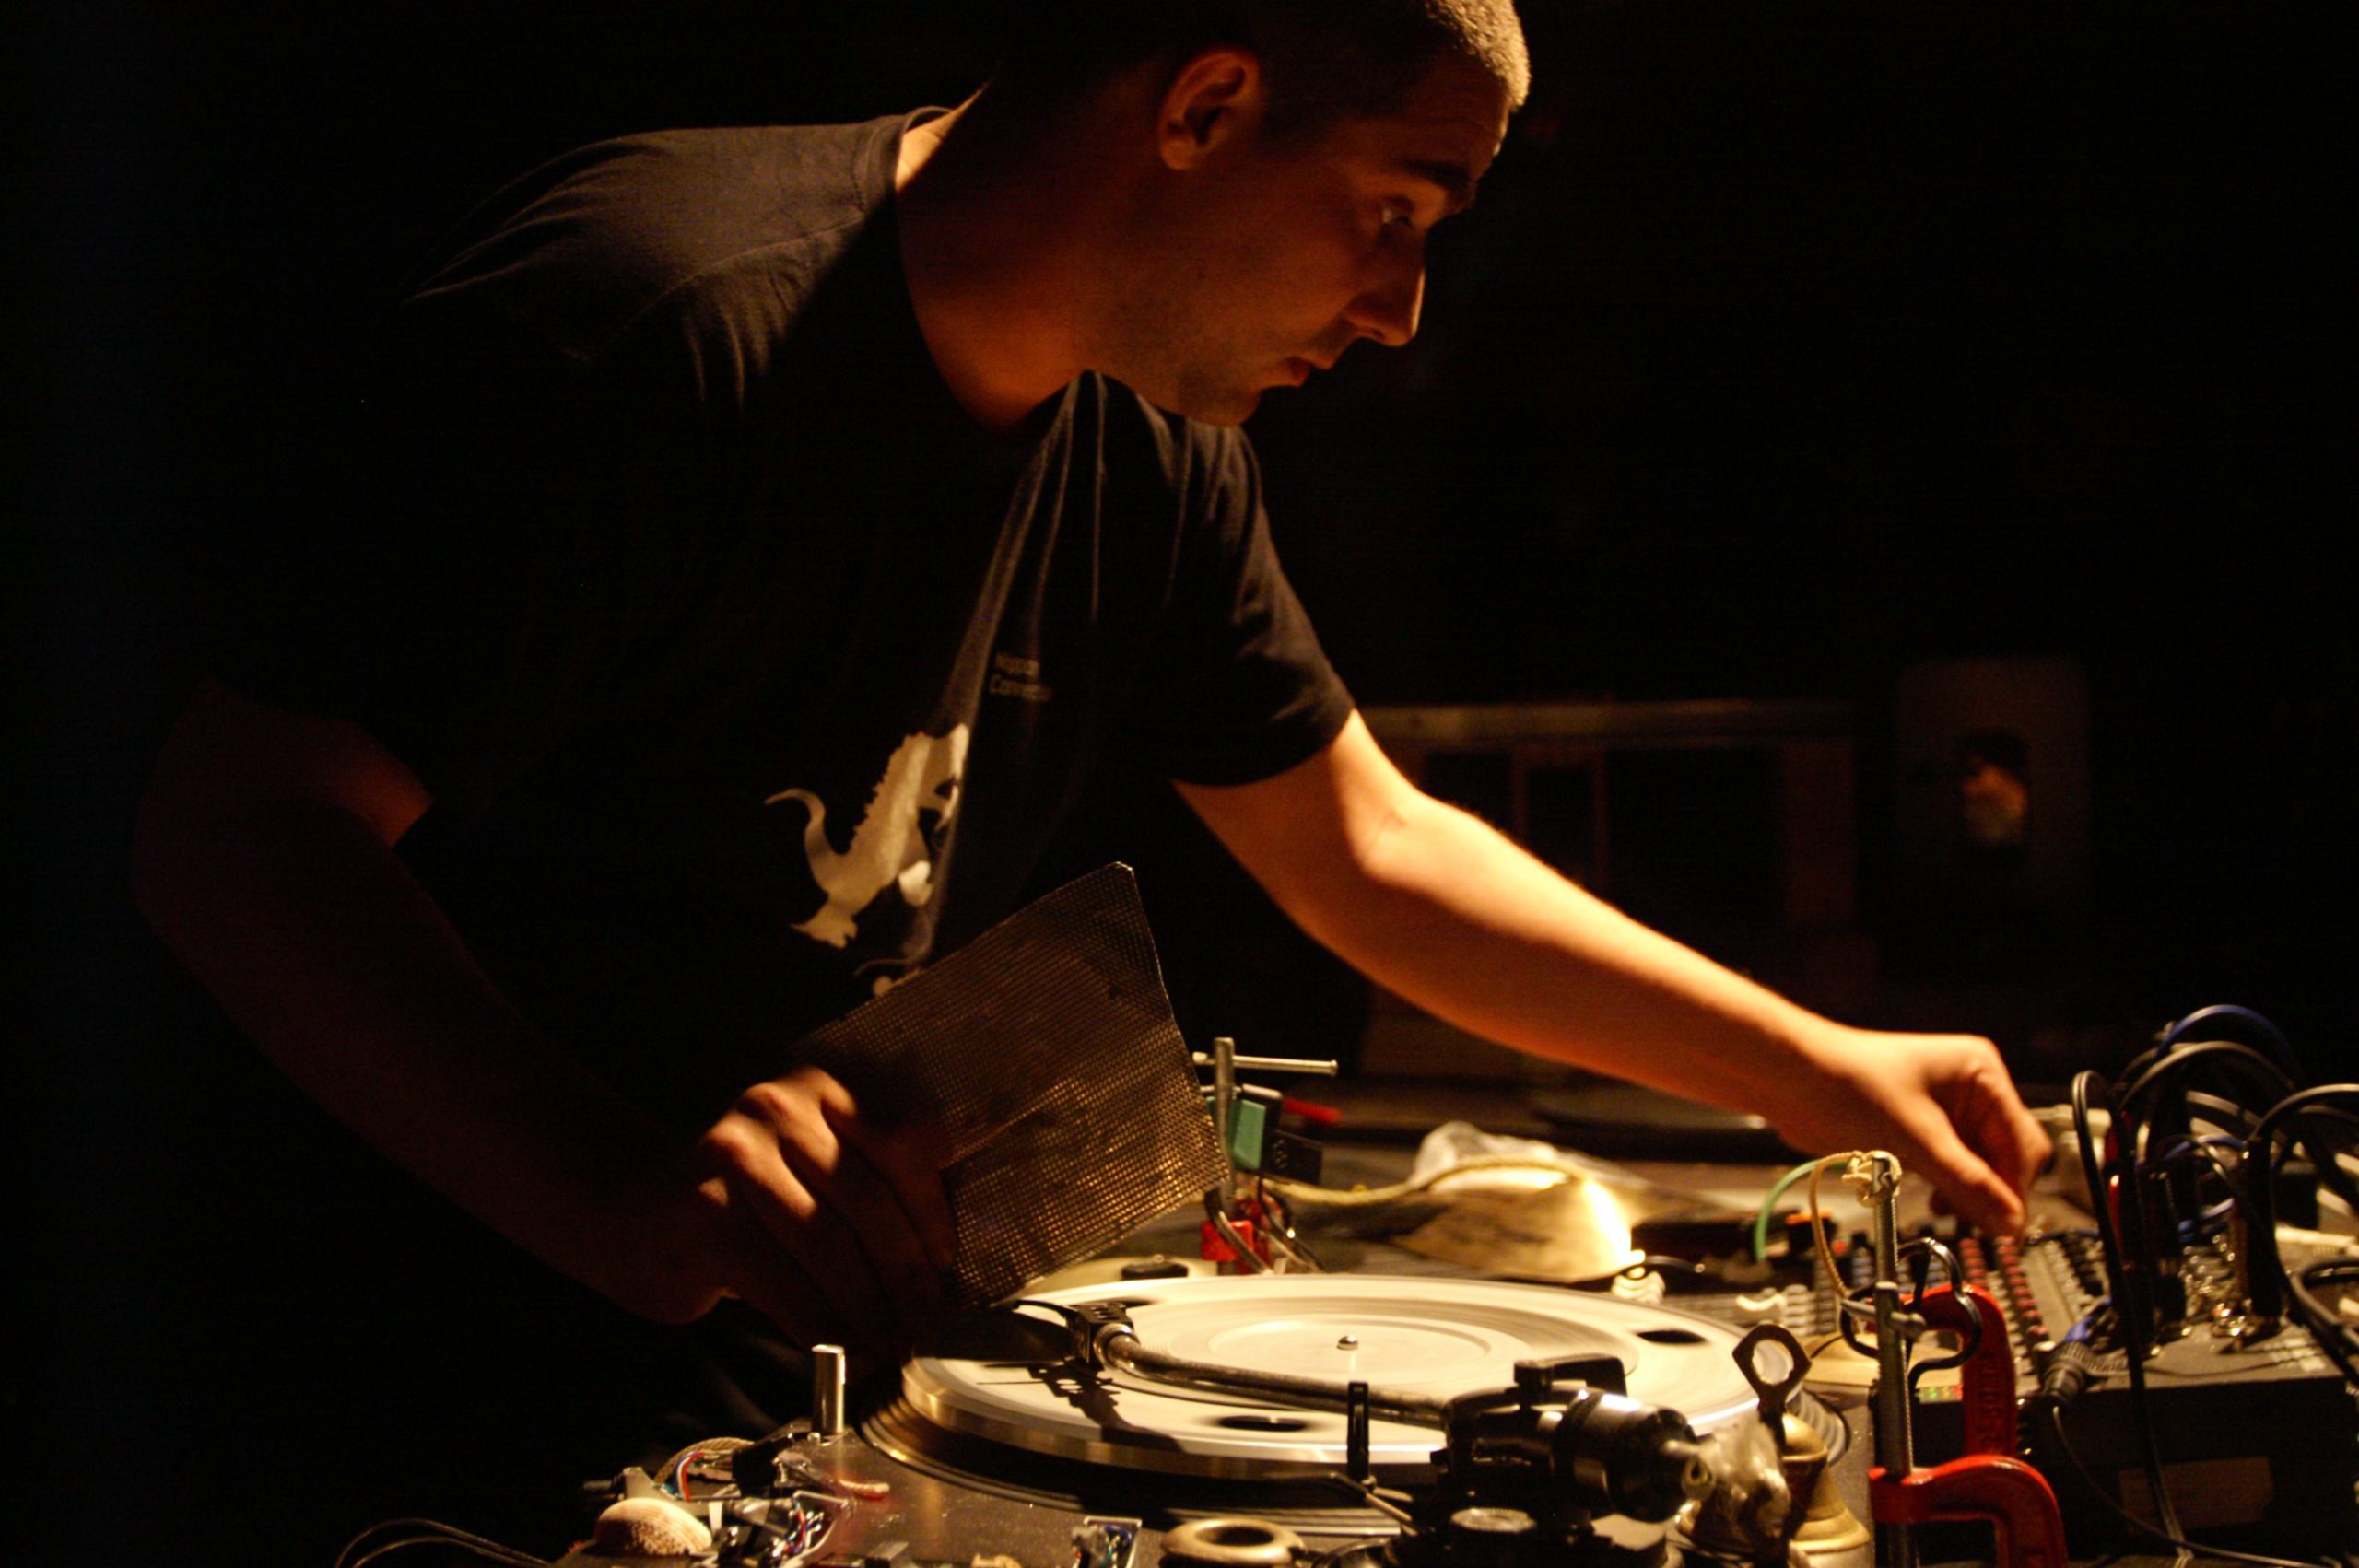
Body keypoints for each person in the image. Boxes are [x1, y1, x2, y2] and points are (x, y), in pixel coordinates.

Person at [135, 0, 2048, 1469]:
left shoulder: (1150, 443)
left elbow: (1364, 845)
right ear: (1204, 107)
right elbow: (232, 831)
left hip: (750, 1394)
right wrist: (611, 1189)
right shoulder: (647, 328)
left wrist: (1809, 1070)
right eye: (1391, 211)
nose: (1401, 310)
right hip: (393, 1403)